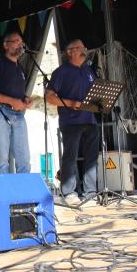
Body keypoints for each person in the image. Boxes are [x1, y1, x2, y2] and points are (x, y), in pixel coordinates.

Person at [46, 39, 99, 204]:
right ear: (69, 52)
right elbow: (49, 97)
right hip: (71, 121)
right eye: (79, 48)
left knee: (92, 158)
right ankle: (70, 193)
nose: (84, 50)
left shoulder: (89, 71)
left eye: (84, 47)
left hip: (90, 120)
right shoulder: (61, 72)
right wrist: (70, 103)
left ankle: (91, 192)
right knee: (70, 156)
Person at [0, 32, 32, 174]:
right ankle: (5, 195)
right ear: (6, 45)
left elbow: (16, 93)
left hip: (19, 115)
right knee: (2, 160)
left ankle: (24, 195)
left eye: (21, 42)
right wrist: (11, 101)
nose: (20, 44)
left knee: (24, 159)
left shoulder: (20, 68)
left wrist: (25, 99)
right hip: (0, 112)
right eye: (15, 41)